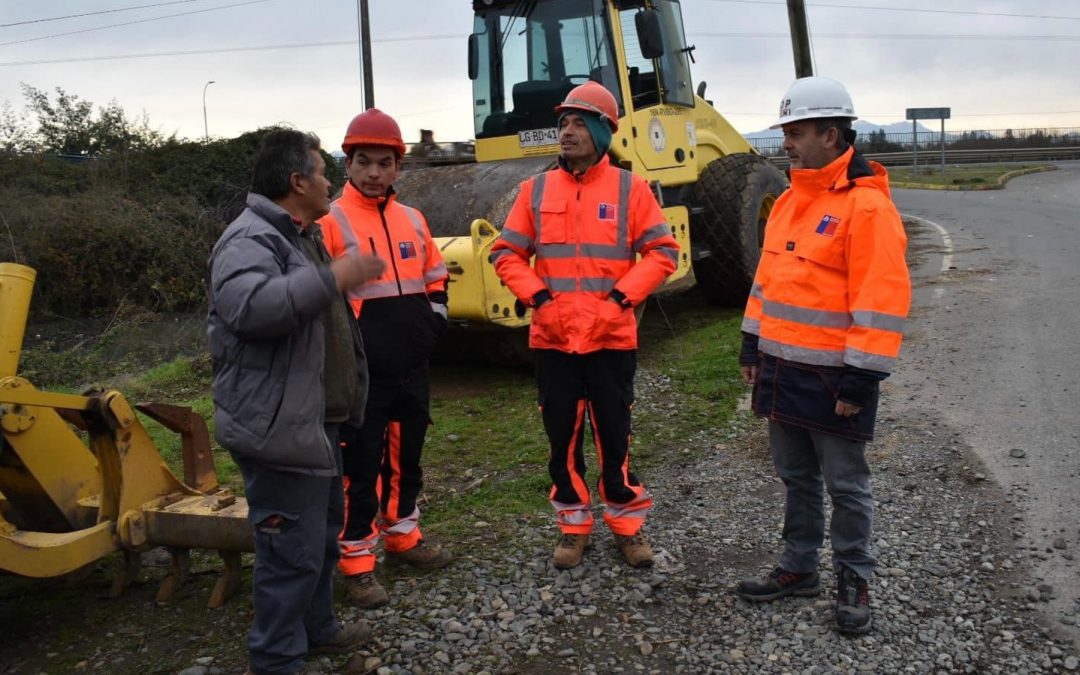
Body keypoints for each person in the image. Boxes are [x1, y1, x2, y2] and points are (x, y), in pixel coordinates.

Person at [735, 76, 911, 636]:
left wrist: (862, 377)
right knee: (795, 477)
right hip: (782, 369)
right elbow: (768, 281)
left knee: (846, 484)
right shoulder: (789, 200)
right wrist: (750, 342)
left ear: (832, 135)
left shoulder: (867, 208)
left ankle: (854, 577)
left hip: (838, 377)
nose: (785, 142)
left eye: (796, 131)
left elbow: (880, 300)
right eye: (785, 131)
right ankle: (798, 568)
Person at [207, 129, 385, 674]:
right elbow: (254, 310)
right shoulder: (248, 241)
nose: (331, 179)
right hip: (277, 428)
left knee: (321, 536)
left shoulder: (298, 233)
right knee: (289, 551)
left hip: (314, 422)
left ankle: (318, 629)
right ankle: (278, 659)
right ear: (296, 180)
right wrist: (336, 276)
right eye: (323, 170)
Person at [490, 81, 680, 570]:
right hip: (553, 340)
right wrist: (539, 299)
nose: (567, 132)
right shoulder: (534, 190)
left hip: (610, 338)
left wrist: (620, 299)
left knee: (614, 436)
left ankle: (626, 524)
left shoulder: (629, 188)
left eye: (578, 123)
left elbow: (662, 253)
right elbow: (505, 252)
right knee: (563, 438)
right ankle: (573, 526)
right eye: (563, 124)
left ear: (602, 130)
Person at [320, 108, 453, 609]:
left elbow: (436, 276)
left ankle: (403, 537)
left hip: (412, 367)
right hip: (361, 372)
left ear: (398, 167)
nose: (374, 172)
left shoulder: (413, 219)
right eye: (363, 162)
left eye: (384, 163)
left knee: (407, 457)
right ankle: (356, 562)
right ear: (347, 164)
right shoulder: (329, 221)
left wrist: (434, 322)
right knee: (360, 464)